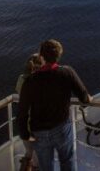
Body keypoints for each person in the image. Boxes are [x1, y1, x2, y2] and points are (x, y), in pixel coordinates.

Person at [17, 39, 91, 171]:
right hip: (61, 128)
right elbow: (84, 98)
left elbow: (22, 112)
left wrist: (25, 134)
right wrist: (88, 98)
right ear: (58, 55)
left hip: (39, 133)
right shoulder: (67, 72)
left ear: (41, 55)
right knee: (67, 161)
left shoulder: (30, 82)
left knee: (46, 166)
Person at [16, 53, 44, 171]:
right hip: (37, 125)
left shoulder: (21, 79)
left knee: (28, 152)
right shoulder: (40, 82)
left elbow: (19, 91)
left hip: (24, 124)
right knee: (39, 158)